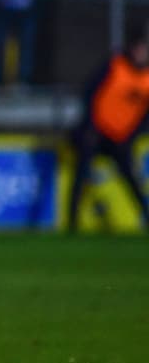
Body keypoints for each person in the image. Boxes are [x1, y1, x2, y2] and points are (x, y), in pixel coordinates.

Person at [67, 29, 149, 233]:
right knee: (81, 172)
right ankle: (71, 222)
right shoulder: (115, 65)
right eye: (137, 48)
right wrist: (88, 125)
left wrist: (132, 135)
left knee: (131, 178)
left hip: (120, 137)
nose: (140, 53)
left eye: (144, 49)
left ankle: (146, 216)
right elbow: (89, 93)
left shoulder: (146, 78)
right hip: (96, 132)